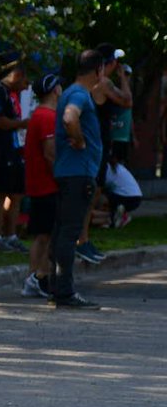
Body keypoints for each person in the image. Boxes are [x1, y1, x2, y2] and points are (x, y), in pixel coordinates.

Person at [50, 50, 106, 309]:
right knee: (69, 232)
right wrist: (81, 139)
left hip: (69, 173)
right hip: (77, 173)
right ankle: (64, 291)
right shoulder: (79, 94)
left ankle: (57, 287)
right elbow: (70, 118)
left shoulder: (71, 91)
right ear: (98, 71)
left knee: (62, 231)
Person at [76, 44, 133, 264]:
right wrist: (124, 77)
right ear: (107, 64)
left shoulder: (86, 85)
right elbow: (127, 101)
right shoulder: (104, 83)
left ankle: (84, 240)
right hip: (96, 145)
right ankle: (81, 241)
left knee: (91, 195)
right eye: (114, 63)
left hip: (93, 144)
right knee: (90, 195)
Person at [0, 61, 30, 252]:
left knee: (16, 192)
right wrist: (21, 124)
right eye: (24, 80)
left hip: (15, 149)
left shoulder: (12, 95)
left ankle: (11, 235)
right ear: (16, 75)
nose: (25, 86)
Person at [21, 74, 61, 299]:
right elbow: (50, 152)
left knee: (43, 234)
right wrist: (60, 179)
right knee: (46, 235)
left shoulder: (41, 115)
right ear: (54, 90)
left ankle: (35, 277)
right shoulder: (46, 116)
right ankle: (37, 276)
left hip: (40, 184)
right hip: (46, 185)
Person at [104, 160, 142, 228]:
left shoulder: (107, 168)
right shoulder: (119, 167)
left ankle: (112, 218)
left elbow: (103, 185)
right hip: (137, 197)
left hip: (125, 197)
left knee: (102, 197)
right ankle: (121, 216)